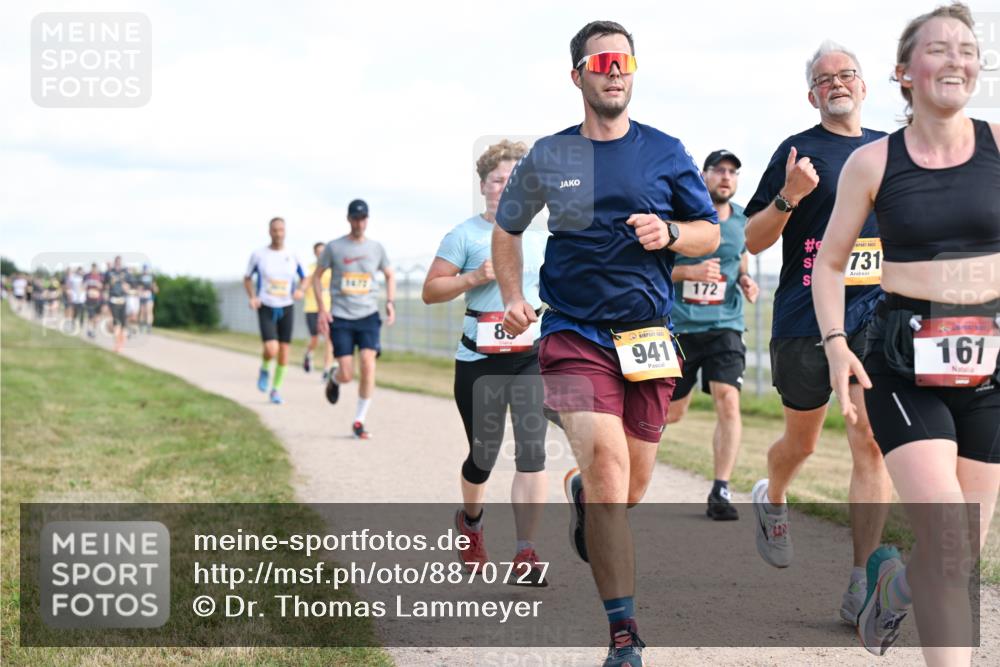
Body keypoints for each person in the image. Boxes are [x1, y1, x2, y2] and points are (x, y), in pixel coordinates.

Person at [493, 21, 720, 666]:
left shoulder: (666, 151)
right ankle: (624, 637)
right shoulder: (550, 155)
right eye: (601, 61)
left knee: (627, 490)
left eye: (624, 59)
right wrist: (513, 297)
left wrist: (671, 233)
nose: (614, 70)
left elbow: (705, 231)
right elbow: (508, 230)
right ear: (579, 76)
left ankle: (584, 500)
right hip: (571, 331)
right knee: (608, 468)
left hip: (648, 337)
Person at [813, 4, 999, 661]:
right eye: (940, 48)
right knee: (948, 536)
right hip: (900, 361)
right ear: (903, 72)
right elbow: (830, 264)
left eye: (968, 49)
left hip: (990, 369)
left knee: (957, 554)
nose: (957, 59)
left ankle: (891, 584)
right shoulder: (872, 162)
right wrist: (837, 344)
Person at [743, 39, 894, 624]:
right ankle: (773, 495)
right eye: (825, 77)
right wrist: (789, 195)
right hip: (806, 317)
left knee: (871, 442)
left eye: (847, 74)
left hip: (876, 316)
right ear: (812, 93)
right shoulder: (796, 150)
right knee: (801, 444)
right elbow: (753, 240)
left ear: (863, 85)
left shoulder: (889, 150)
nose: (837, 82)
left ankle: (861, 580)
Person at [422, 139, 550, 585]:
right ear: (484, 187)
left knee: (533, 452)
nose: (507, 187)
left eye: (516, 180)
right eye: (499, 180)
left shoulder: (542, 235)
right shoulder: (465, 235)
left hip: (531, 357)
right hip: (479, 359)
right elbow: (430, 290)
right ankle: (471, 522)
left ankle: (525, 552)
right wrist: (474, 276)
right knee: (484, 455)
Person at [665, 149, 759, 521]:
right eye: (718, 170)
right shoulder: (683, 221)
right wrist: (688, 273)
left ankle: (720, 488)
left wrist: (747, 281)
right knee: (670, 413)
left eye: (733, 172)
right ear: (703, 177)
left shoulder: (742, 222)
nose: (726, 177)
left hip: (725, 326)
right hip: (681, 328)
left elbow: (740, 261)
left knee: (728, 401)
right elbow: (654, 270)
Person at [315, 199, 396, 440]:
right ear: (349, 219)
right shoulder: (334, 247)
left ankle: (359, 421)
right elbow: (317, 278)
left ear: (367, 220)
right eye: (355, 218)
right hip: (341, 316)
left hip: (368, 315)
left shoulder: (376, 248)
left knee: (368, 364)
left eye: (363, 218)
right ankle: (334, 377)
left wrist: (390, 302)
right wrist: (322, 309)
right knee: (347, 374)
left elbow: (390, 274)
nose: (359, 223)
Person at [244, 217, 305, 404]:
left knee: (284, 351)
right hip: (266, 305)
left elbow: (305, 277)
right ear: (269, 232)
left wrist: (301, 290)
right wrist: (252, 297)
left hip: (286, 306)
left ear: (285, 231)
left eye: (281, 230)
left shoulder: (293, 254)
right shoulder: (259, 255)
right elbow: (247, 278)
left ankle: (276, 389)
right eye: (275, 230)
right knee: (271, 349)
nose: (278, 233)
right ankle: (264, 368)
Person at [302, 242, 335, 382]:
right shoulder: (311, 269)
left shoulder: (332, 269)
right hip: (312, 308)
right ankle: (308, 353)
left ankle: (327, 369)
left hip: (327, 309)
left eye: (324, 251)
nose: (321, 254)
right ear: (315, 253)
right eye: (319, 252)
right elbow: (306, 281)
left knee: (329, 339)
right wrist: (301, 289)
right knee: (314, 339)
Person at [104, 256, 132, 353]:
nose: (118, 264)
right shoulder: (109, 273)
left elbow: (131, 285)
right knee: (116, 323)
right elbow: (106, 285)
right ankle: (117, 345)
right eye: (117, 262)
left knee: (124, 324)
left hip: (123, 300)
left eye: (119, 262)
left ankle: (121, 344)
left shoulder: (126, 273)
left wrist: (128, 287)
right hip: (113, 300)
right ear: (114, 262)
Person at [83, 263, 104, 339]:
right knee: (91, 316)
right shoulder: (87, 276)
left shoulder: (100, 276)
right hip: (90, 300)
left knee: (97, 317)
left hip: (98, 299)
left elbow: (103, 286)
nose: (94, 269)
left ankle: (94, 330)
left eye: (95, 268)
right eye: (93, 268)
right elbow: (83, 286)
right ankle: (89, 330)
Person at [138, 265, 158, 333]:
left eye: (146, 269)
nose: (145, 271)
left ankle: (149, 328)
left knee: (149, 311)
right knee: (142, 312)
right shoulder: (140, 277)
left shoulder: (152, 278)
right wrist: (141, 292)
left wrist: (153, 287)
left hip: (149, 297)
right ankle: (141, 327)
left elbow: (156, 289)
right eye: (144, 269)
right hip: (142, 296)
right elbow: (139, 288)